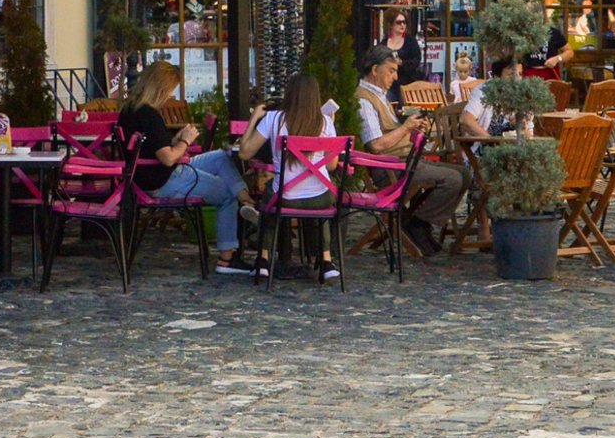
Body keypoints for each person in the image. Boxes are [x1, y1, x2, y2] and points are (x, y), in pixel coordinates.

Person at [118, 59, 259, 275]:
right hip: (165, 178)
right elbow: (167, 158)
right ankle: (227, 260)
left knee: (221, 157)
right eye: (170, 91)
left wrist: (175, 140)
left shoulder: (128, 110)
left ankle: (246, 201)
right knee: (226, 193)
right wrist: (186, 140)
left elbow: (155, 149)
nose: (170, 96)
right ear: (161, 88)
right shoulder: (150, 115)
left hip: (146, 176)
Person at [356, 45, 466, 256]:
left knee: (464, 174)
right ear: (374, 70)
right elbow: (376, 145)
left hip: (404, 161)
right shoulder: (364, 100)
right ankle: (416, 223)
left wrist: (415, 131)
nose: (395, 77)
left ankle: (416, 221)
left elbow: (394, 134)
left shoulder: (380, 96)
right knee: (453, 179)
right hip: (390, 168)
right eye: (391, 70)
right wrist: (406, 127)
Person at [240, 73, 342, 280]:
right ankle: (326, 260)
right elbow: (331, 166)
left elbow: (244, 153)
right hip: (321, 197)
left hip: (284, 196)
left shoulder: (274, 118)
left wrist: (253, 118)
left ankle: (263, 260)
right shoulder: (325, 122)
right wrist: (331, 125)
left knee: (269, 203)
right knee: (324, 199)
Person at [459, 58, 519, 141]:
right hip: (483, 149)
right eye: (511, 75)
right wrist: (490, 141)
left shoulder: (518, 93)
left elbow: (527, 131)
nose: (517, 79)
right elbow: (465, 119)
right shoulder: (482, 91)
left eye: (520, 74)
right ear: (496, 77)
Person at [383, 12, 422, 96]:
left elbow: (417, 60)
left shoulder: (410, 41)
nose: (402, 25)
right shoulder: (384, 42)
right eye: (398, 22)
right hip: (389, 84)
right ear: (391, 25)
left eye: (404, 22)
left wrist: (402, 63)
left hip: (408, 84)